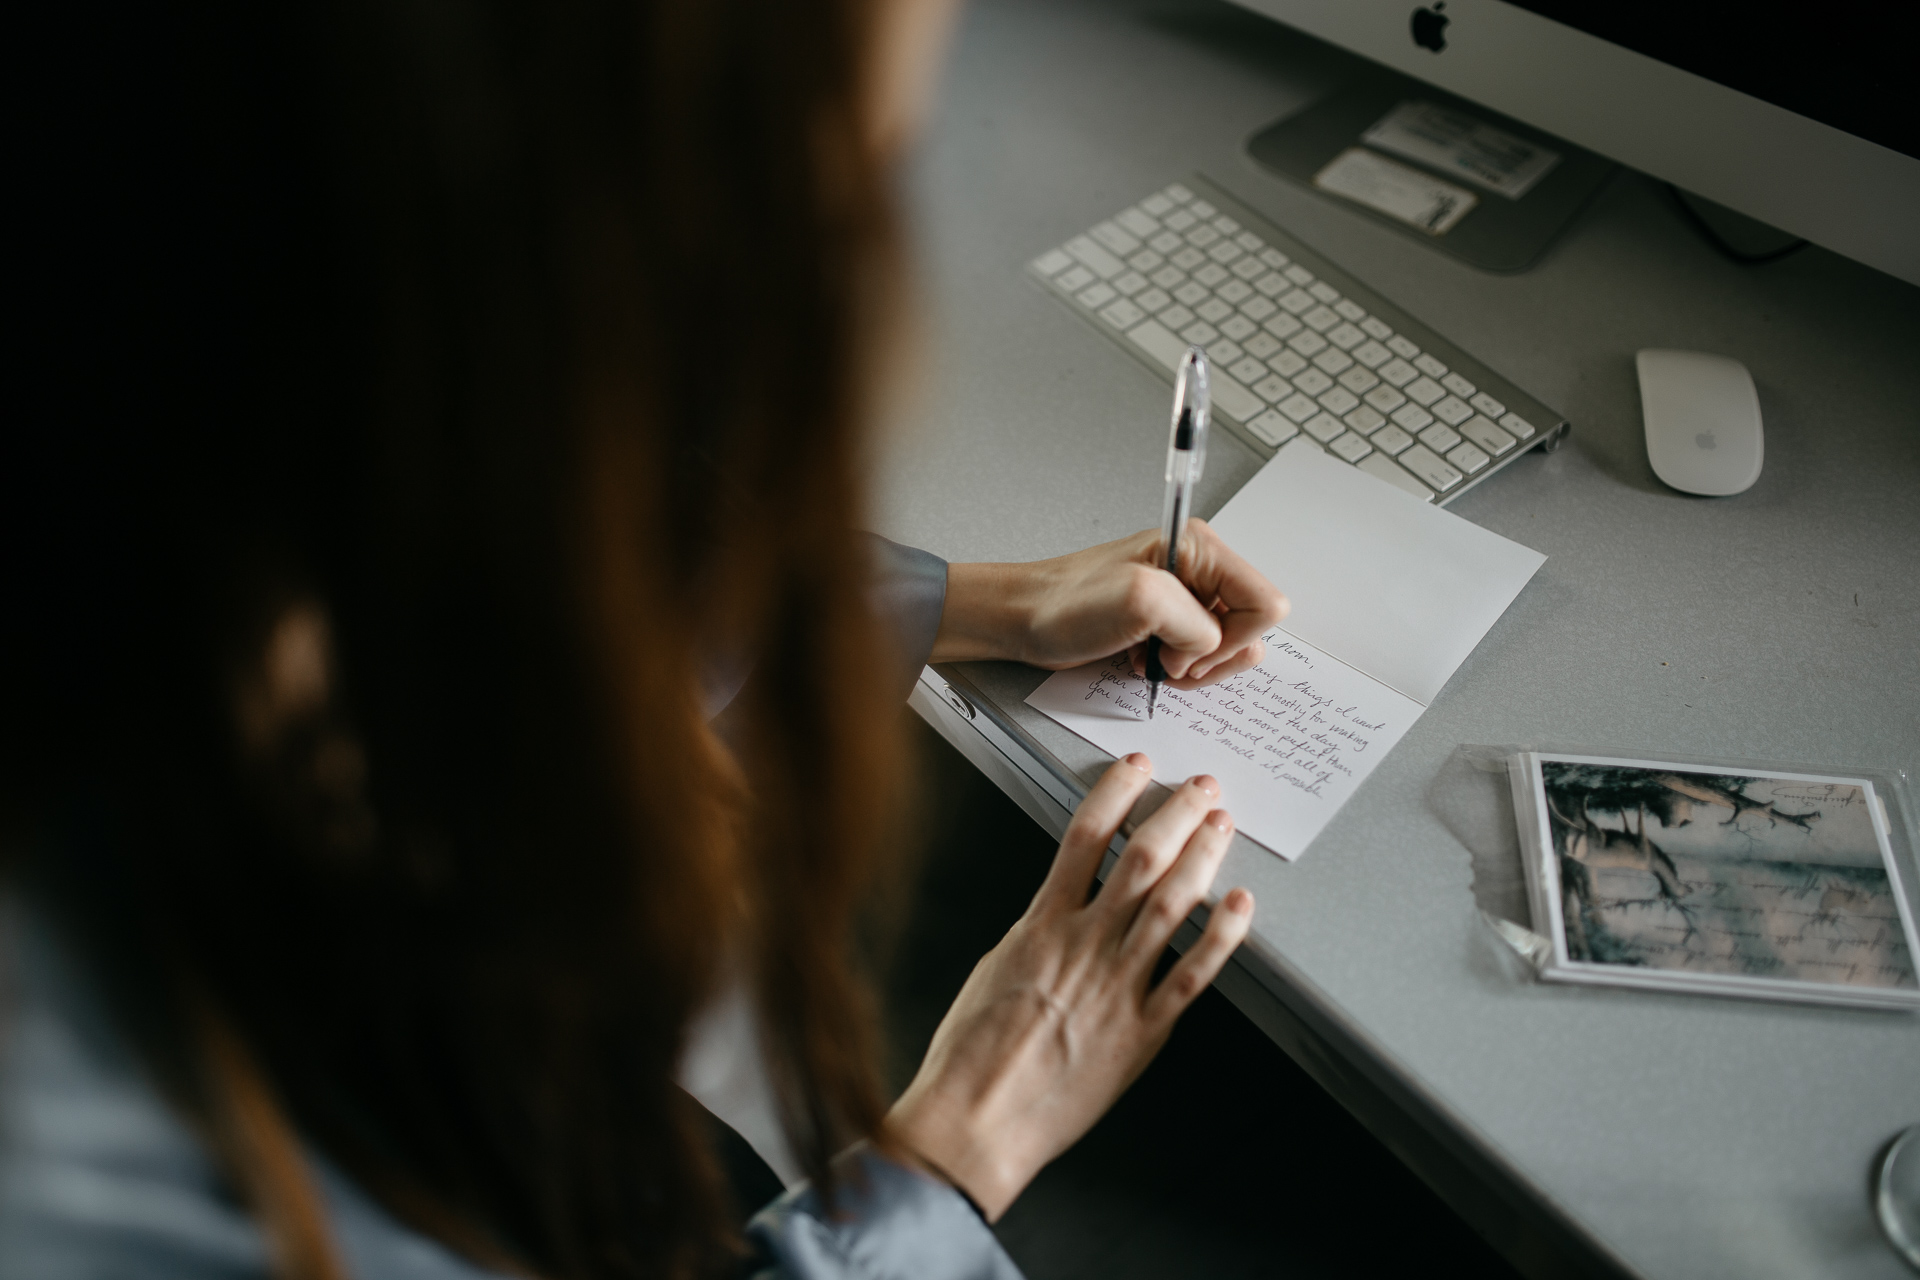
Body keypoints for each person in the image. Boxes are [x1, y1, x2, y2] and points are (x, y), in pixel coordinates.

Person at [0, 0, 1289, 1277]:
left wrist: (984, 600)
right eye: (832, 196)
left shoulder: (205, 429)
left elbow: (497, 563)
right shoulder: (102, 1152)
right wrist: (961, 1152)